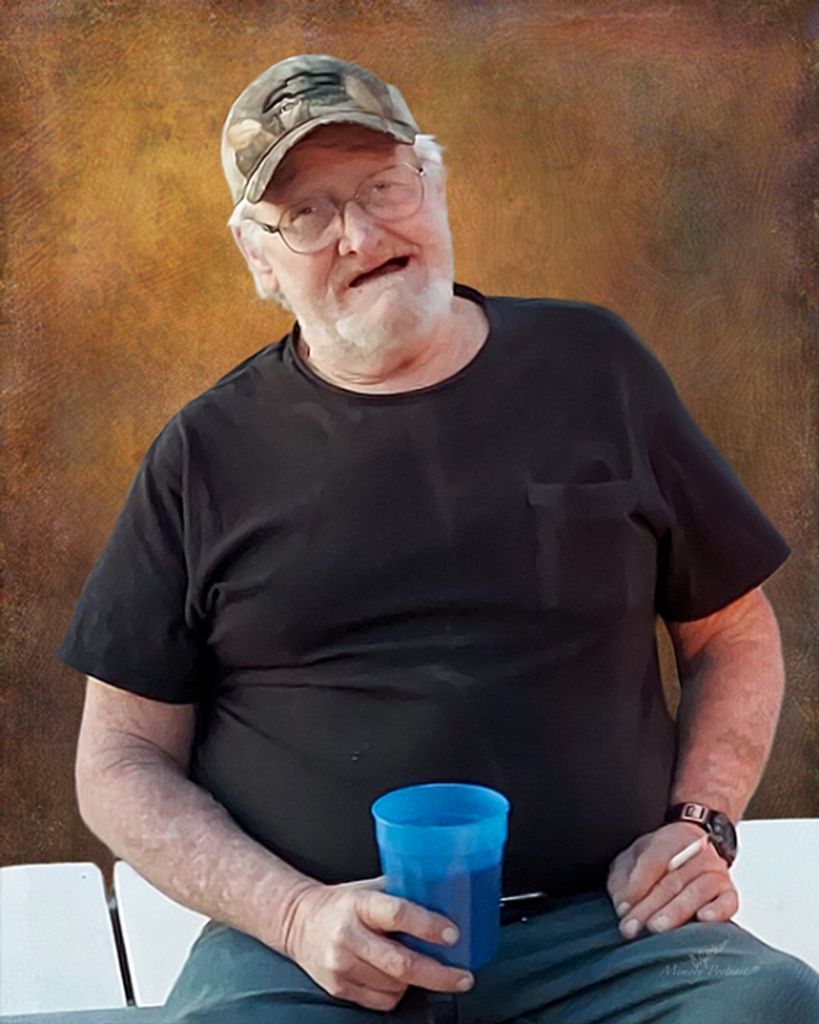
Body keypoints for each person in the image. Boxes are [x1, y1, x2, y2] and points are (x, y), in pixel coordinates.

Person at [56, 55, 819, 1023]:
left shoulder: (596, 369)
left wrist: (700, 823)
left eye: (383, 186)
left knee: (774, 1005)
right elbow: (119, 757)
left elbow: (733, 634)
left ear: (434, 183)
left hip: (604, 934)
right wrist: (291, 914)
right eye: (308, 215)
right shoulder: (203, 456)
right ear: (258, 257)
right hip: (309, 956)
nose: (360, 234)